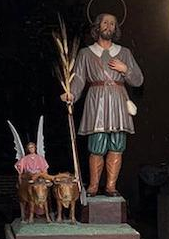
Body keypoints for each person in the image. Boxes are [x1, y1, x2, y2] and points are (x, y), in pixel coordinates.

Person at [61, 13, 143, 197]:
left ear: (116, 28)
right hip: (96, 100)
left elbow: (138, 80)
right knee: (96, 144)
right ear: (97, 26)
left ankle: (111, 186)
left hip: (118, 99)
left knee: (117, 143)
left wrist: (125, 70)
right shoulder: (85, 53)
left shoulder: (124, 53)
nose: (109, 26)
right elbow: (80, 79)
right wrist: (71, 94)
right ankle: (93, 185)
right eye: (105, 22)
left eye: (112, 23)